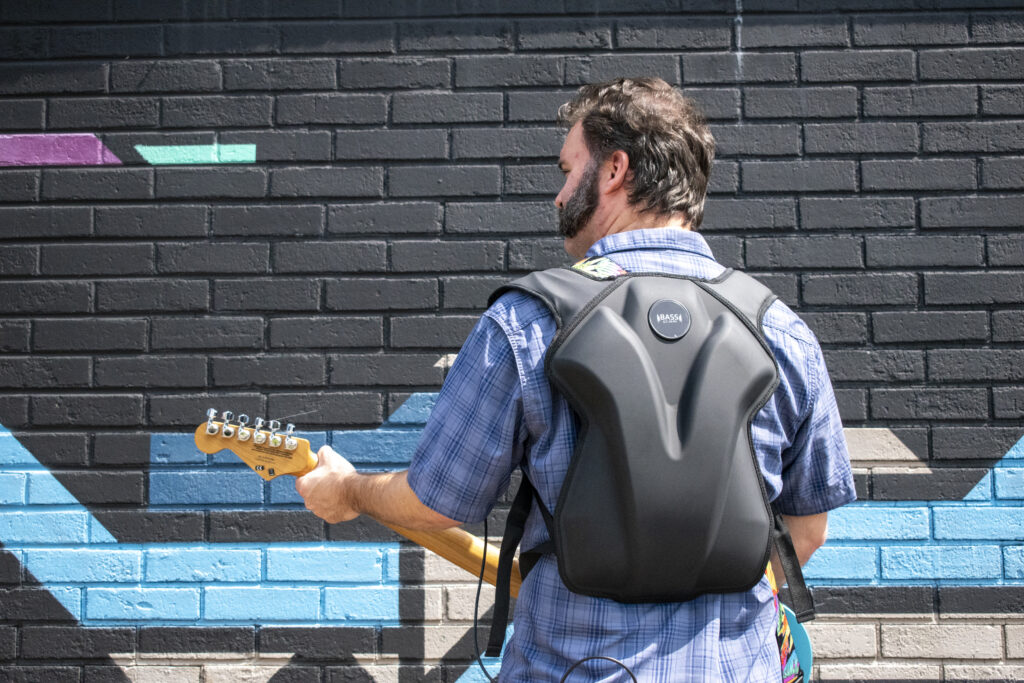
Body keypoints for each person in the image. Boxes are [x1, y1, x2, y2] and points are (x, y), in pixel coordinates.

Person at [297, 77, 856, 681]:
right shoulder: (781, 329)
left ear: (615, 170)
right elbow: (806, 532)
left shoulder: (529, 321)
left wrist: (350, 491)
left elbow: (437, 501)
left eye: (568, 170)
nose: (559, 195)